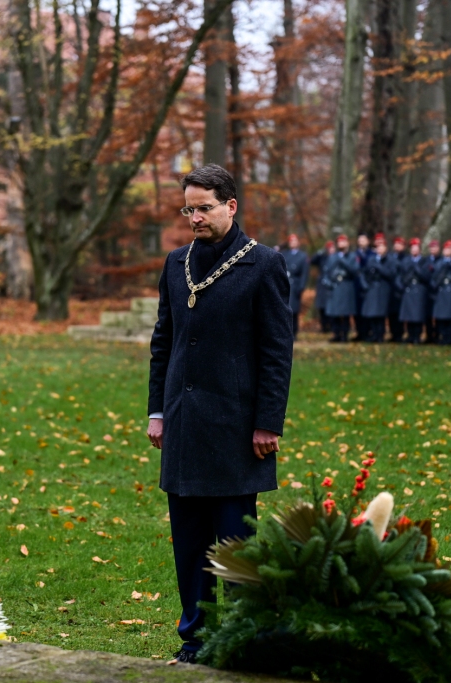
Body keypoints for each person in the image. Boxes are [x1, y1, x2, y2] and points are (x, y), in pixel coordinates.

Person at [146, 164, 292, 664]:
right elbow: (163, 342)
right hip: (183, 424)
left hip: (235, 427)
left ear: (231, 205)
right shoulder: (176, 262)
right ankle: (196, 638)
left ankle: (244, 639)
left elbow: (277, 350)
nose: (195, 218)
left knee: (235, 545)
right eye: (188, 209)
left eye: (204, 208)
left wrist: (268, 422)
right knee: (189, 545)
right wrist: (157, 411)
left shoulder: (264, 264)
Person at [358, 239, 395, 343]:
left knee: (381, 315)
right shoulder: (371, 259)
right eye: (377, 247)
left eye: (381, 246)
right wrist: (365, 284)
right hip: (372, 288)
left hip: (383, 289)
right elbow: (364, 272)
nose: (379, 249)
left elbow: (391, 274)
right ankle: (374, 334)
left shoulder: (390, 260)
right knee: (372, 313)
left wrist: (379, 267)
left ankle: (380, 335)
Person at [325, 233, 359, 342]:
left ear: (347, 243)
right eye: (339, 242)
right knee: (334, 312)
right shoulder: (332, 257)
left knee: (345, 313)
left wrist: (343, 261)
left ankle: (345, 335)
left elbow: (355, 271)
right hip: (335, 286)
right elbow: (327, 271)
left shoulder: (352, 256)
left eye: (343, 241)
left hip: (346, 286)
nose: (341, 243)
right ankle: (336, 334)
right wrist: (327, 282)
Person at [431, 240, 451, 345]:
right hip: (441, 290)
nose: (447, 251)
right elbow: (434, 276)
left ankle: (450, 337)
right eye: (446, 249)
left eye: (450, 248)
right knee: (441, 317)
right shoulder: (439, 262)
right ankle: (443, 337)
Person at [399, 238, 429, 343]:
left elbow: (427, 276)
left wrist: (418, 270)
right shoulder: (406, 261)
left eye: (416, 248)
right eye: (412, 248)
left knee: (418, 315)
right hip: (409, 288)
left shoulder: (425, 261)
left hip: (419, 289)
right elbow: (402, 275)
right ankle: (410, 335)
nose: (414, 250)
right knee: (409, 315)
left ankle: (417, 335)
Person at [282, 233, 308, 338]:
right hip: (285, 284)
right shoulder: (284, 253)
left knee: (294, 310)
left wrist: (301, 287)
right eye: (291, 241)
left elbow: (304, 273)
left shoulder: (302, 256)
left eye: (294, 241)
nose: (293, 243)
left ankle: (294, 331)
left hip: (295, 285)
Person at [311, 241, 335, 333]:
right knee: (322, 306)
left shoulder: (336, 257)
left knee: (332, 306)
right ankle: (324, 326)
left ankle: (332, 326)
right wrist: (319, 253)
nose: (330, 250)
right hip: (322, 284)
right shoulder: (323, 258)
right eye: (329, 248)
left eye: (332, 248)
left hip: (332, 283)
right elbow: (312, 261)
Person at [388, 237, 406, 342]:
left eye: (400, 244)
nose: (397, 246)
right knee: (392, 313)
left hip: (402, 288)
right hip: (391, 289)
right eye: (396, 244)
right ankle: (393, 333)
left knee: (400, 312)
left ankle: (400, 333)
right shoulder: (390, 257)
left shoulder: (405, 258)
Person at [425, 239, 441, 343]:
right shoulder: (426, 261)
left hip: (439, 290)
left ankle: (438, 334)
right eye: (431, 247)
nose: (433, 249)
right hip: (428, 290)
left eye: (435, 247)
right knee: (428, 314)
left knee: (439, 314)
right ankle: (429, 335)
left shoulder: (442, 260)